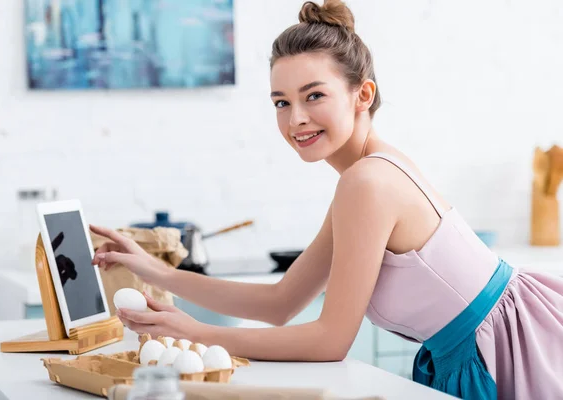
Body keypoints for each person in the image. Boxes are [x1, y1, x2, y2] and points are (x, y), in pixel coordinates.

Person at [90, 1, 563, 399]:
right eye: (281, 102)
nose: (296, 119)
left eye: (314, 95)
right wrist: (155, 270)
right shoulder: (365, 175)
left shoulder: (367, 183)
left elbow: (330, 340)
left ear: (363, 95)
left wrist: (194, 331)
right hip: (487, 347)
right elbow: (282, 301)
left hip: (508, 352)